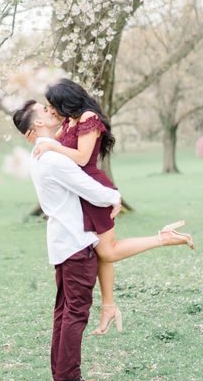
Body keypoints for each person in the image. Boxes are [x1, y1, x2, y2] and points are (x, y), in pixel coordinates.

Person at [31, 78, 194, 336]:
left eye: (52, 106)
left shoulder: (89, 118)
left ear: (66, 100)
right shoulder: (70, 120)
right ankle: (108, 307)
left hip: (94, 190)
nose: (50, 110)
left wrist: (51, 145)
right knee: (98, 252)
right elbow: (54, 143)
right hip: (79, 191)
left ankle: (163, 238)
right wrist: (41, 137)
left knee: (107, 252)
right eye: (48, 108)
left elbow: (83, 157)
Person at [13, 100, 121, 381]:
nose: (51, 112)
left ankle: (62, 375)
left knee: (64, 310)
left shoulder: (41, 154)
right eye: (44, 111)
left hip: (62, 241)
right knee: (75, 311)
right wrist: (115, 196)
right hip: (74, 242)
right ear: (36, 125)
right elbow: (90, 189)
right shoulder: (52, 158)